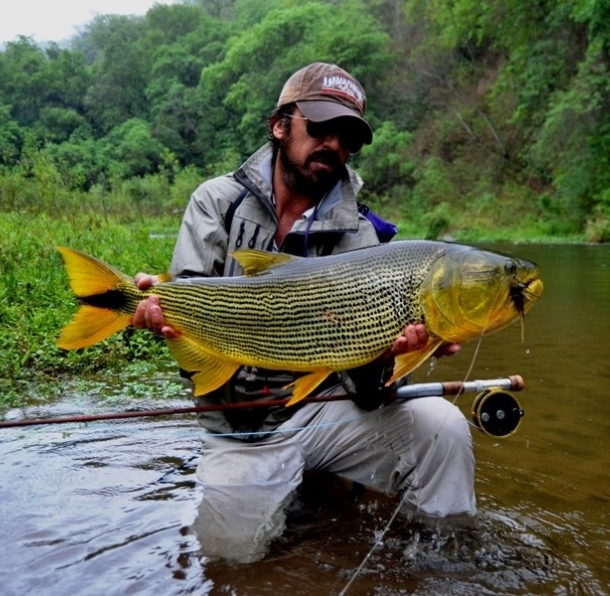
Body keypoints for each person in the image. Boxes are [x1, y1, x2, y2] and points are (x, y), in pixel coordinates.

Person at [133, 62, 476, 562]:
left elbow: (366, 392)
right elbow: (195, 359)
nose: (334, 145)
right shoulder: (218, 202)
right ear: (280, 125)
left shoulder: (361, 236)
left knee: (440, 429)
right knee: (232, 561)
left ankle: (443, 560)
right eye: (320, 127)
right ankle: (305, 488)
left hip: (325, 413)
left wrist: (390, 357)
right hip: (241, 426)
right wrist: (167, 321)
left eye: (348, 137)